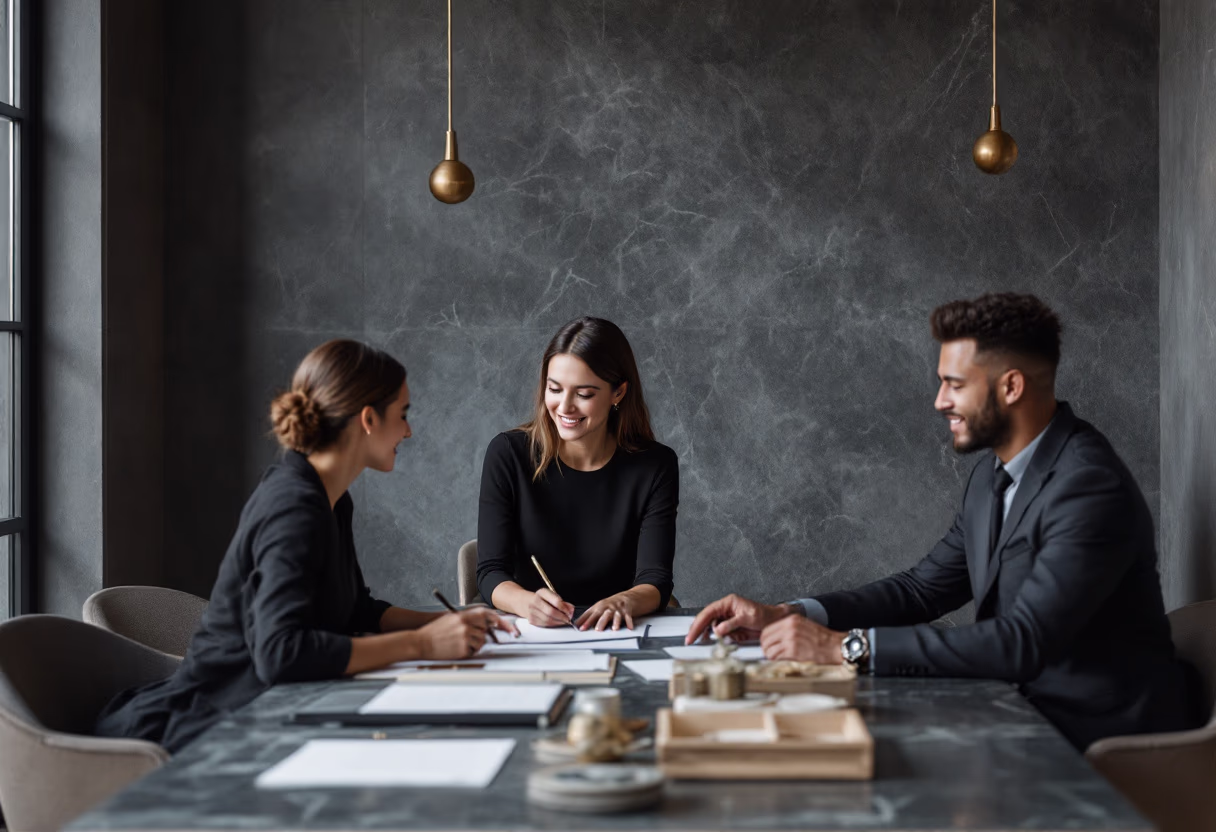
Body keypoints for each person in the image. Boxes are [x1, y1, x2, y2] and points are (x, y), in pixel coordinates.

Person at [688, 293, 1200, 750]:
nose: (940, 402)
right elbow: (920, 590)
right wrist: (790, 614)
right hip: (1018, 713)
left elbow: (1023, 642)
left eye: (954, 385)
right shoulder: (990, 477)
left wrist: (847, 647)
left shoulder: (1089, 485)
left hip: (1099, 741)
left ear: (1011, 386)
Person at [95, 339, 515, 753]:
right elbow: (280, 654)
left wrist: (454, 621)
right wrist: (424, 645)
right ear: (368, 419)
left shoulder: (330, 497)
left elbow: (355, 610)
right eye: (402, 415)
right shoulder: (294, 506)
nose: (407, 430)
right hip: (215, 719)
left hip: (275, 704)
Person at [476, 316, 679, 631]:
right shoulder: (509, 454)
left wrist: (623, 601)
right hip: (535, 632)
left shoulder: (655, 465)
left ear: (618, 393)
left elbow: (656, 579)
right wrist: (525, 603)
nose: (564, 407)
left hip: (619, 630)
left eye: (584, 394)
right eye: (554, 389)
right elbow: (490, 572)